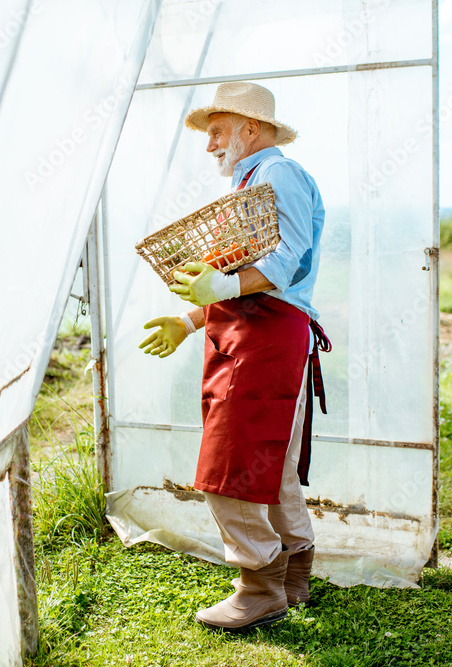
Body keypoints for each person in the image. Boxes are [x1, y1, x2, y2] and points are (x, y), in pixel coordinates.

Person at [138, 81, 329, 632]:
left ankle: (258, 586)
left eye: (217, 132)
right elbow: (237, 284)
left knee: (232, 468)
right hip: (254, 334)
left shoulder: (278, 175)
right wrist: (190, 318)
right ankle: (293, 577)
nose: (209, 145)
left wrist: (217, 291)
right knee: (273, 469)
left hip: (266, 341)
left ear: (251, 128)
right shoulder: (251, 181)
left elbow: (287, 267)